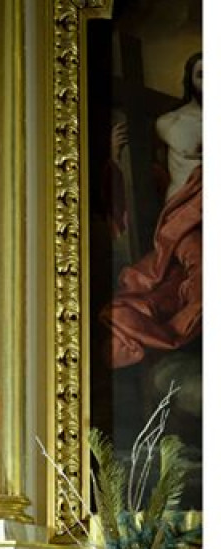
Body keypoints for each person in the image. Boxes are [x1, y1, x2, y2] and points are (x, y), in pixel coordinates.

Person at [100, 52, 202, 368]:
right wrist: (114, 156)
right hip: (186, 220)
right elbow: (188, 144)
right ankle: (176, 337)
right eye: (202, 74)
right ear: (191, 81)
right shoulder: (173, 122)